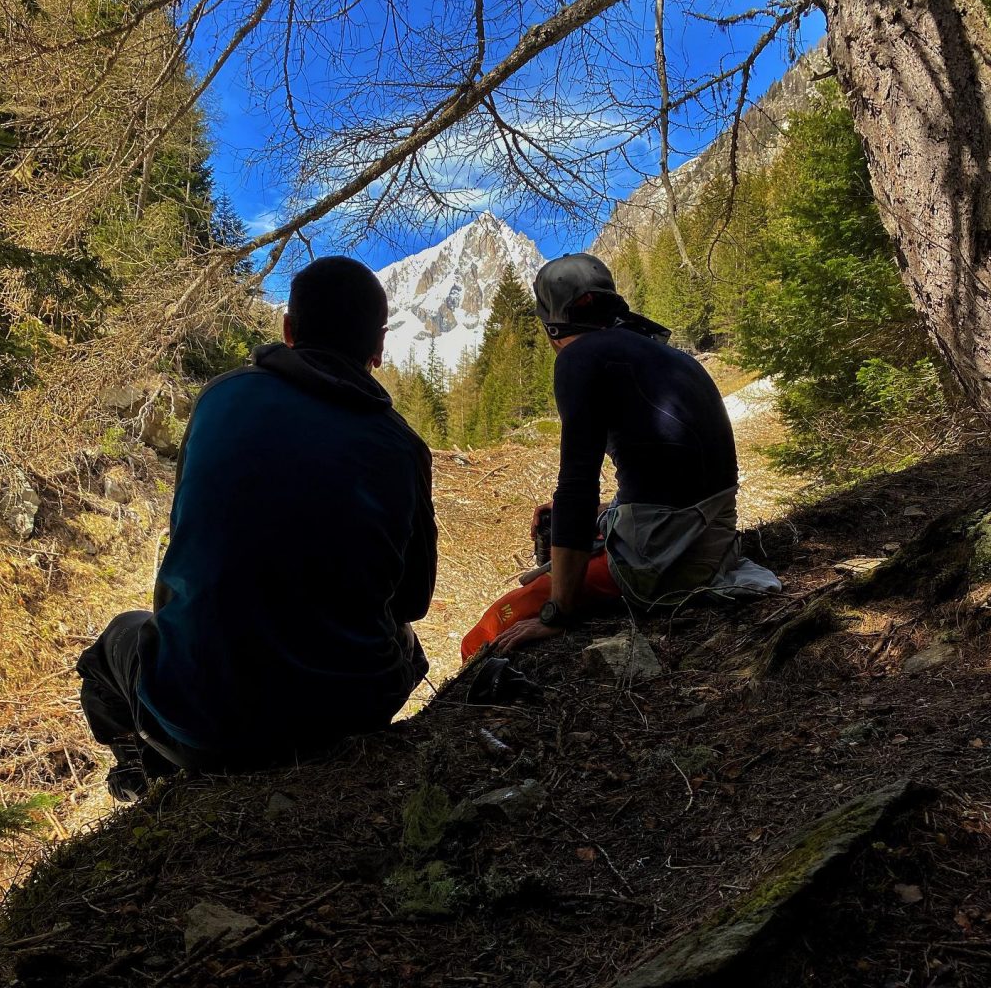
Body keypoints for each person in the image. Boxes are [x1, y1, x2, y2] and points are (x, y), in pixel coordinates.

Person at [78, 256, 437, 801]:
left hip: (201, 720)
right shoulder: (405, 445)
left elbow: (192, 534)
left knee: (110, 647)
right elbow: (412, 601)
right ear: (379, 348)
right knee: (410, 650)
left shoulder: (220, 398)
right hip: (344, 720)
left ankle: (142, 761)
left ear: (289, 329)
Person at [460, 252, 778, 660]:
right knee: (569, 529)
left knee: (490, 629)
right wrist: (603, 513)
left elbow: (575, 487)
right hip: (713, 541)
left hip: (662, 562)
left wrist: (557, 612)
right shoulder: (670, 355)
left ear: (552, 323)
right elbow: (680, 475)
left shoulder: (579, 357)